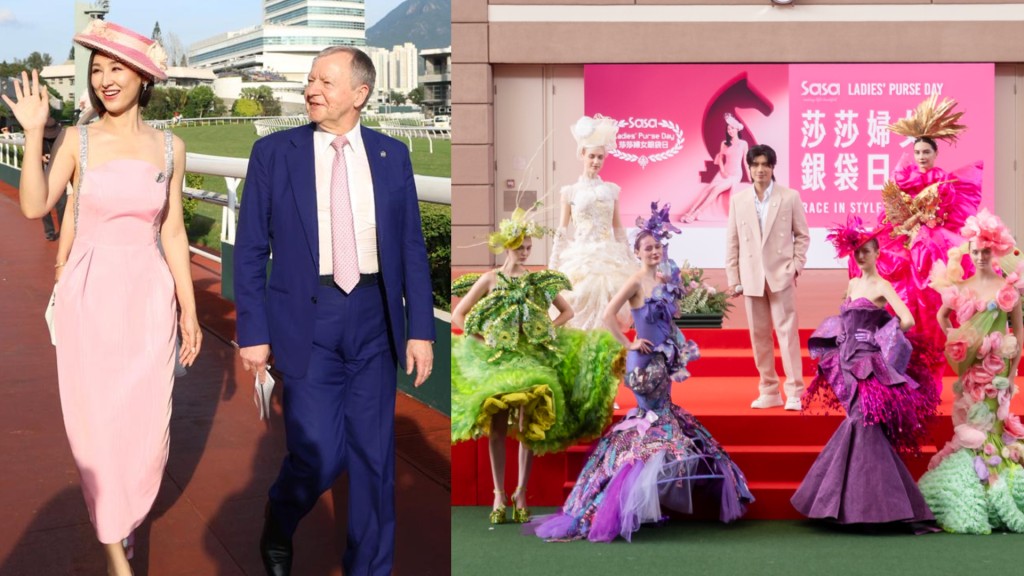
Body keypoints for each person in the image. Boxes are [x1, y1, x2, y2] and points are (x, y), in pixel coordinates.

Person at [1, 20, 200, 576]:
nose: (105, 79)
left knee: (146, 428)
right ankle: (116, 549)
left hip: (148, 298)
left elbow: (174, 232)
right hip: (89, 296)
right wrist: (36, 132)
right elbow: (35, 207)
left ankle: (121, 517)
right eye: (97, 69)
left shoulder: (170, 146)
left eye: (116, 68)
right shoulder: (78, 140)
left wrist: (189, 306)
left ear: (143, 75)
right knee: (96, 424)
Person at [233, 46, 435, 576]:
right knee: (319, 455)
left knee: (374, 460)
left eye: (325, 80)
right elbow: (251, 249)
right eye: (309, 80)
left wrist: (421, 332)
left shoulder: (393, 155)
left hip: (375, 319)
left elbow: (412, 246)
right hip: (307, 317)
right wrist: (251, 333)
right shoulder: (274, 154)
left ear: (359, 94)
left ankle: (369, 568)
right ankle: (282, 515)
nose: (311, 89)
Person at [532, 210, 753, 542]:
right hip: (642, 366)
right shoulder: (635, 281)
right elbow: (608, 314)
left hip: (663, 364)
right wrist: (629, 341)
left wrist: (678, 348)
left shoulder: (665, 281)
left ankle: (644, 505)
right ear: (637, 252)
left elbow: (671, 321)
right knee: (651, 425)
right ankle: (620, 504)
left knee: (659, 424)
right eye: (647, 247)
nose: (653, 251)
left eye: (656, 247)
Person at [451, 208, 621, 525]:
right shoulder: (490, 279)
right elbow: (460, 314)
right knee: (498, 427)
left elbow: (566, 311)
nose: (525, 252)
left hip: (532, 358)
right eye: (520, 246)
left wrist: (546, 331)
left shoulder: (536, 280)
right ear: (507, 245)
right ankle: (499, 494)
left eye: (528, 247)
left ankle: (521, 492)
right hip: (499, 362)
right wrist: (482, 338)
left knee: (530, 427)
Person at [791, 217, 939, 525]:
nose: (861, 256)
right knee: (860, 423)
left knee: (863, 422)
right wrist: (843, 335)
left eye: (867, 251)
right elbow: (846, 313)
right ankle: (867, 505)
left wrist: (878, 335)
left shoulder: (882, 285)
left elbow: (907, 319)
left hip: (870, 365)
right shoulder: (853, 283)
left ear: (877, 253)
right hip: (846, 361)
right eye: (857, 252)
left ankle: (871, 507)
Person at [917, 210, 1024, 534]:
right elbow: (942, 315)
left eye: (985, 251)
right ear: (969, 251)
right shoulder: (962, 286)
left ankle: (996, 478)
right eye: (975, 251)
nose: (979, 256)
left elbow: (1017, 330)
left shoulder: (1009, 289)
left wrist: (1014, 363)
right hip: (971, 367)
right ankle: (977, 484)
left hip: (999, 366)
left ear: (996, 251)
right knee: (971, 422)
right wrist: (957, 339)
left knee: (993, 421)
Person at [877, 95, 983, 390]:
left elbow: (944, 218)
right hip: (906, 253)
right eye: (918, 151)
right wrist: (908, 224)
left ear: (935, 154)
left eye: (926, 151)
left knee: (933, 310)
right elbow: (890, 217)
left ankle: (933, 377)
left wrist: (926, 222)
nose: (922, 156)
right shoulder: (901, 181)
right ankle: (904, 373)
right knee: (905, 307)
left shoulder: (944, 183)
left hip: (933, 252)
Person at [725, 144, 810, 410]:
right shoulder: (738, 200)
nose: (760, 170)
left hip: (780, 275)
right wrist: (733, 278)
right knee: (759, 337)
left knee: (787, 335)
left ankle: (795, 391)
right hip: (751, 278)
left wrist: (795, 266)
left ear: (773, 167)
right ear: (748, 168)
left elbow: (803, 236)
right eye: (755, 165)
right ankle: (769, 390)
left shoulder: (789, 197)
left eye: (765, 164)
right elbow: (732, 241)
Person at [548, 114, 635, 331]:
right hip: (581, 256)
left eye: (600, 157)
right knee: (578, 296)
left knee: (612, 295)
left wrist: (631, 259)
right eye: (592, 156)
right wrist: (552, 266)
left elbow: (619, 229)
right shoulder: (570, 192)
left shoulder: (612, 190)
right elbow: (562, 230)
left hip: (609, 255)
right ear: (582, 155)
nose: (596, 162)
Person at [680, 112, 750, 223]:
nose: (730, 131)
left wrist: (750, 178)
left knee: (716, 190)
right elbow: (720, 159)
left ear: (737, 129)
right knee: (706, 189)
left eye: (732, 128)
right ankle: (690, 211)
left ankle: (696, 213)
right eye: (728, 129)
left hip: (735, 174)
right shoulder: (724, 143)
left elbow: (746, 161)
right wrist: (722, 171)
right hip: (723, 172)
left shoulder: (743, 143)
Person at [40, 116, 67, 241]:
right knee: (43, 205)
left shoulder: (62, 138)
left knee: (62, 204)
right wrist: (41, 158)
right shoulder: (38, 139)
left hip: (58, 174)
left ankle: (63, 231)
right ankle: (49, 231)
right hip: (41, 175)